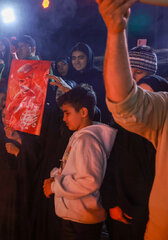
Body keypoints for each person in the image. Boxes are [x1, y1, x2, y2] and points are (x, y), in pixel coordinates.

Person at [97, 0, 168, 239]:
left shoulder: (154, 92)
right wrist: (116, 32)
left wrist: (120, 201)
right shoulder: (161, 108)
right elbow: (126, 105)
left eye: (135, 74)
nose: (137, 85)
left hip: (134, 207)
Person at [43, 86, 117, 240]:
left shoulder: (87, 140)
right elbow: (71, 170)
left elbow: (88, 181)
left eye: (67, 113)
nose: (64, 118)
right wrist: (55, 177)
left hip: (80, 221)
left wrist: (55, 186)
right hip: (76, 217)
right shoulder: (79, 136)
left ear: (83, 112)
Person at [70, 42, 110, 124]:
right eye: (74, 58)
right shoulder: (73, 77)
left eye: (81, 57)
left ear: (88, 58)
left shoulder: (99, 77)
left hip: (96, 123)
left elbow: (102, 104)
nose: (76, 61)